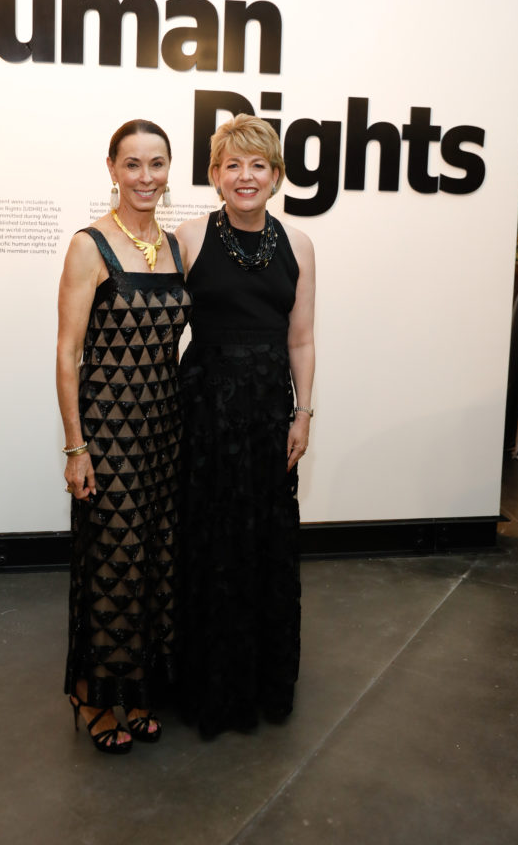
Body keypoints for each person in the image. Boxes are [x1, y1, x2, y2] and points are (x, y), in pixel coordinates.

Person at [175, 113, 316, 737]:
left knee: (262, 539)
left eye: (258, 164)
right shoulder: (189, 237)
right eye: (232, 164)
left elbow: (303, 339)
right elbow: (159, 329)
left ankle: (260, 678)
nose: (245, 176)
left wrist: (303, 412)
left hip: (266, 414)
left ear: (277, 175)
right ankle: (209, 681)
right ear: (214, 175)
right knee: (207, 540)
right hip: (204, 410)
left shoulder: (300, 244)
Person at [56, 119, 191, 754]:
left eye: (156, 164)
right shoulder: (90, 245)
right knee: (110, 562)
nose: (145, 177)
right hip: (108, 431)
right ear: (111, 168)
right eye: (132, 164)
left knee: (154, 562)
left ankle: (135, 686)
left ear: (170, 170)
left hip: (164, 428)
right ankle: (91, 694)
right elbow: (68, 351)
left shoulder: (176, 247)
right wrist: (76, 446)